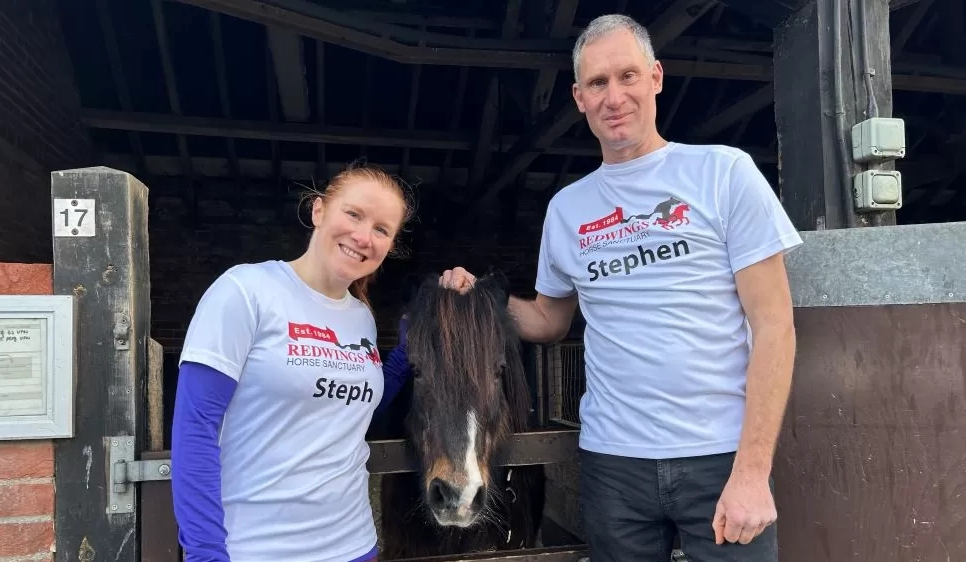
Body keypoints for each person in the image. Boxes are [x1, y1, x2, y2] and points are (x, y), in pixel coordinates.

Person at [440, 13, 802, 562]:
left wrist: (753, 471)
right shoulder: (567, 209)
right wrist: (480, 302)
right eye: (597, 83)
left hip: (719, 455)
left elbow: (774, 324)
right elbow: (547, 319)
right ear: (578, 97)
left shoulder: (724, 174)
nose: (615, 96)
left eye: (627, 76)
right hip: (613, 463)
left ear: (655, 77)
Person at [171, 163, 416, 562]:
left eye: (381, 229)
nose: (363, 236)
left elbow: (353, 411)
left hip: (354, 546)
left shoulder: (361, 317)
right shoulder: (245, 291)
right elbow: (195, 429)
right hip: (256, 549)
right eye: (353, 214)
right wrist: (205, 553)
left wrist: (406, 352)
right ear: (318, 211)